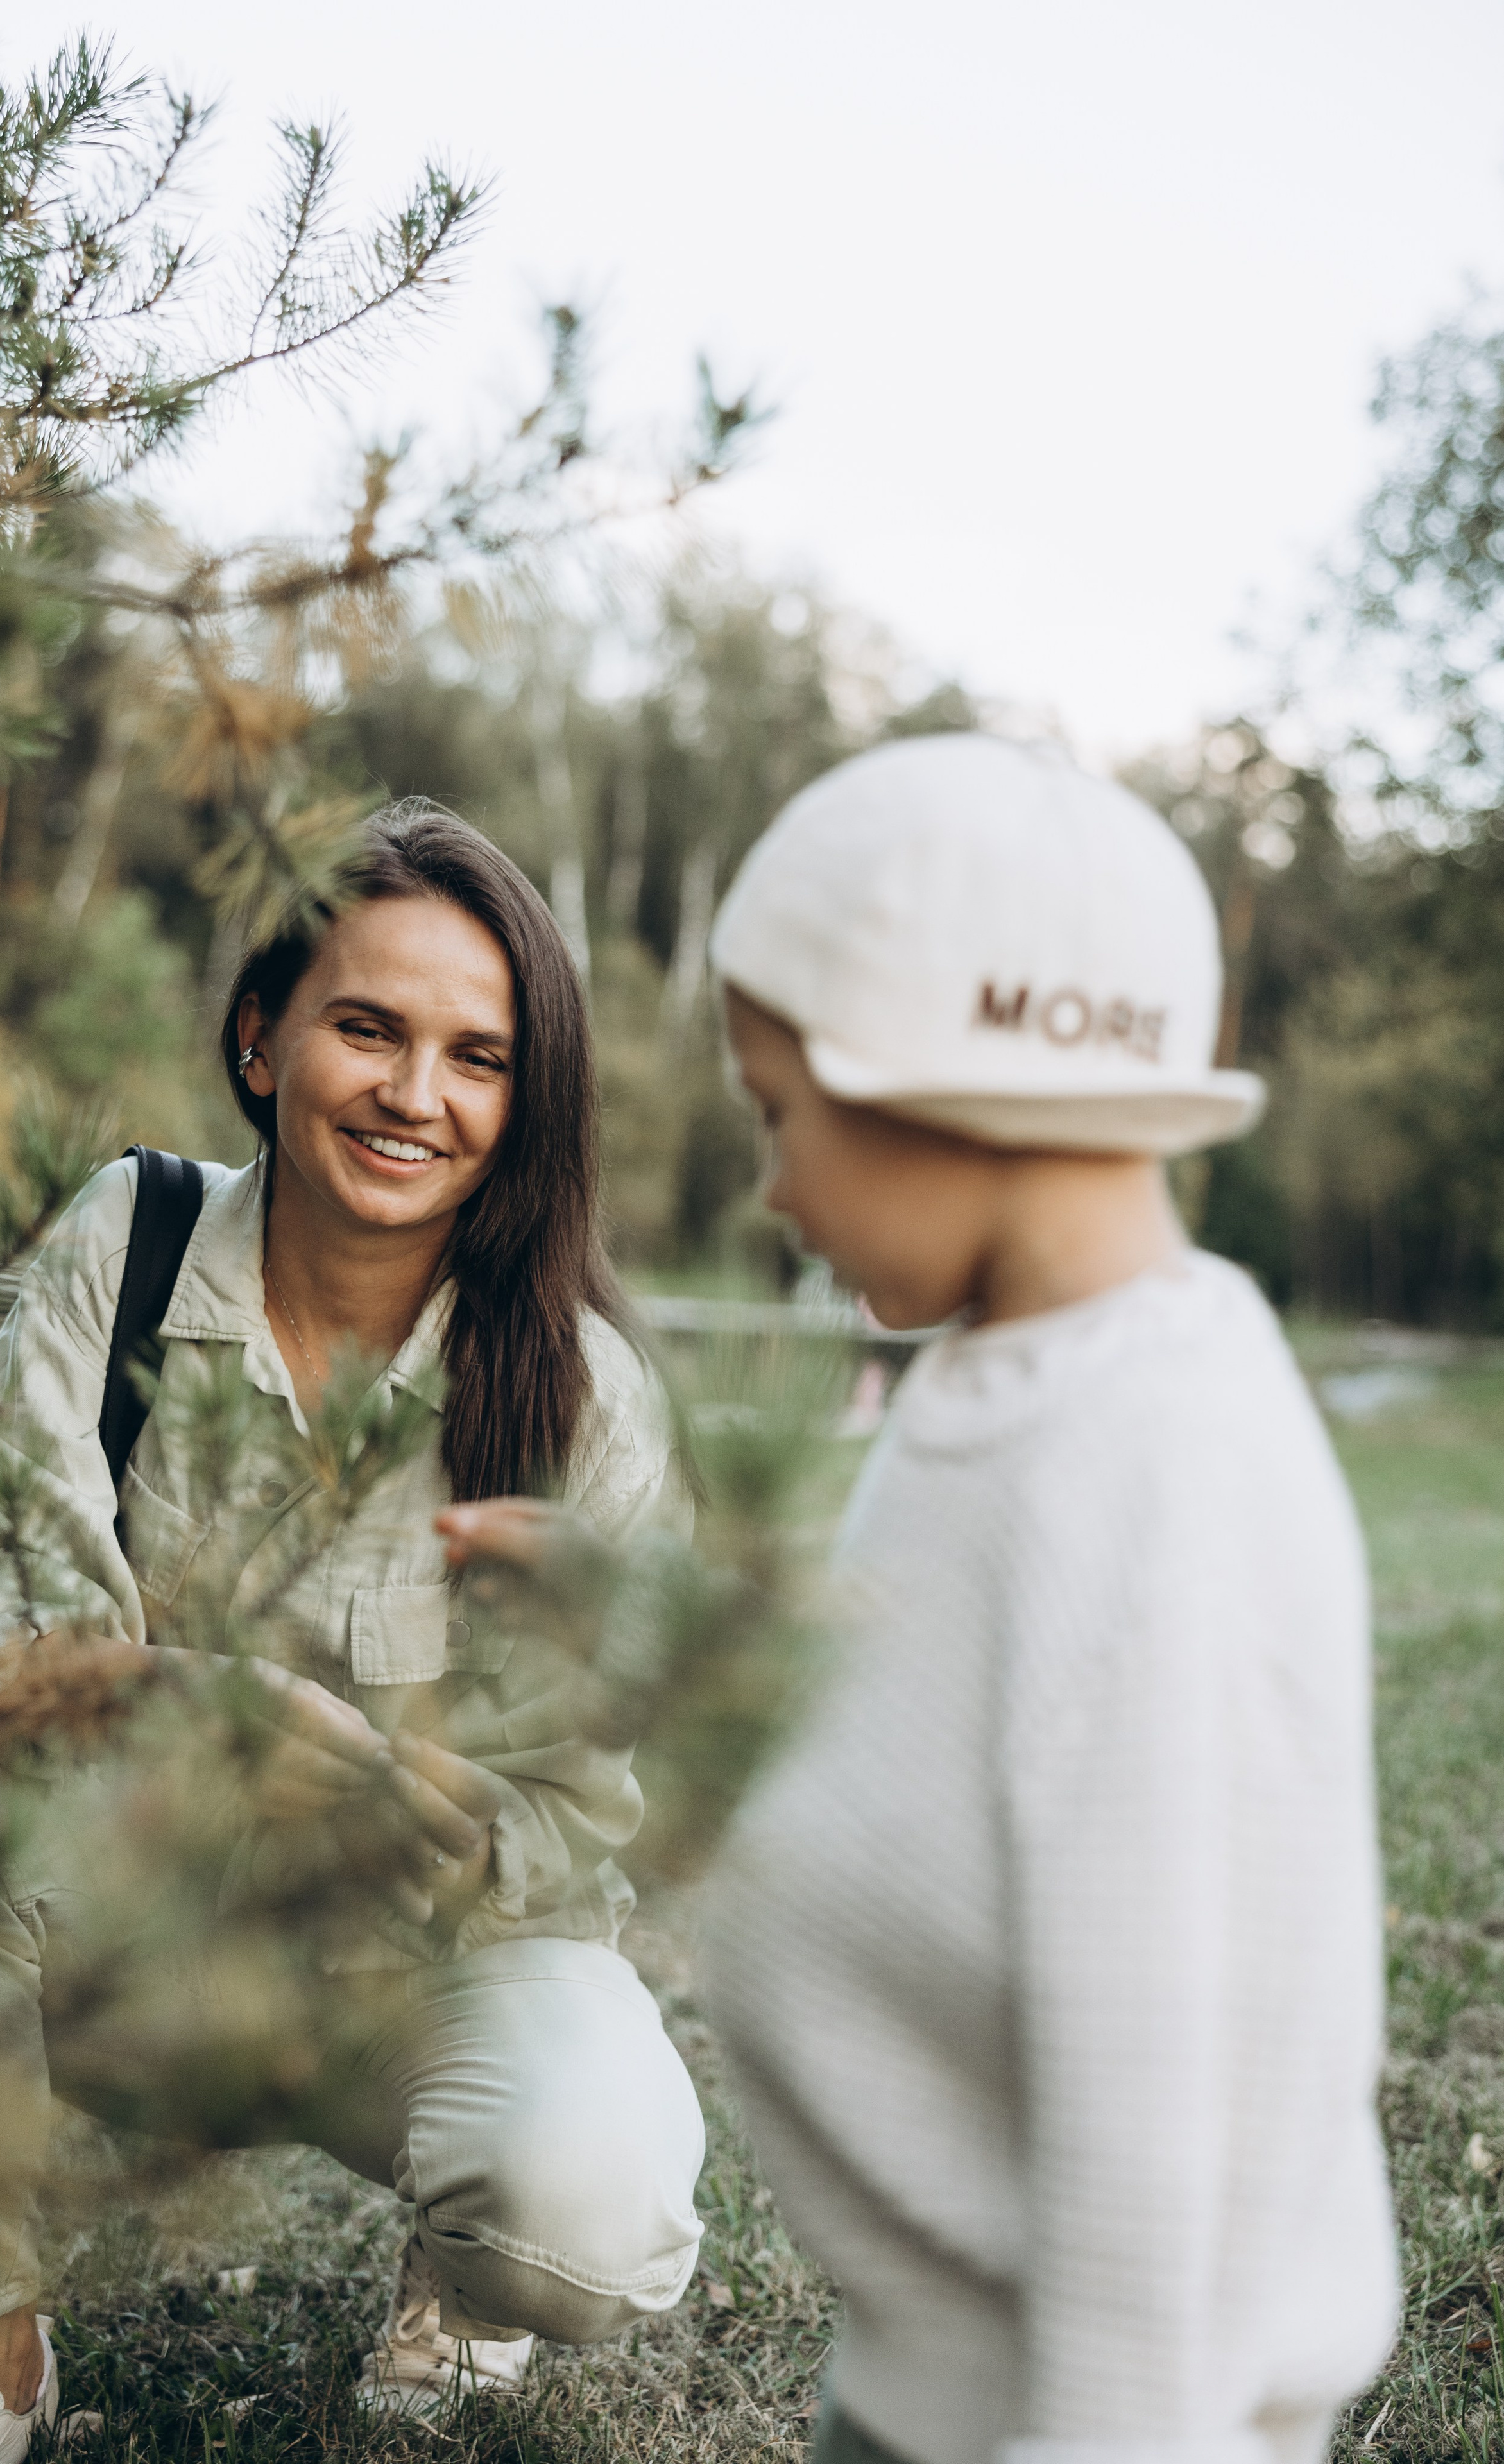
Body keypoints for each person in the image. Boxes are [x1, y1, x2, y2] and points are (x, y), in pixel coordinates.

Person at [446, 737, 1401, 2464]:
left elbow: (1165, 2116)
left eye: (778, 1113)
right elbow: (903, 1718)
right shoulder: (1013, 1376)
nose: (773, 1185)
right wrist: (634, 1613)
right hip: (932, 2391)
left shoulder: (1161, 1467)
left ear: (936, 1081)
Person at [0, 805, 705, 2464]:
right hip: (109, 1924)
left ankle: (457, 2289)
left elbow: (582, 1820)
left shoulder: (585, 1398)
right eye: (368, 1028)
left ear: (527, 1103)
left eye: (478, 1056)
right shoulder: (128, 1241)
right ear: (263, 1037)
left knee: (582, 2202)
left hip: (410, 1970)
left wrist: (405, 1814)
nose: (415, 1093)